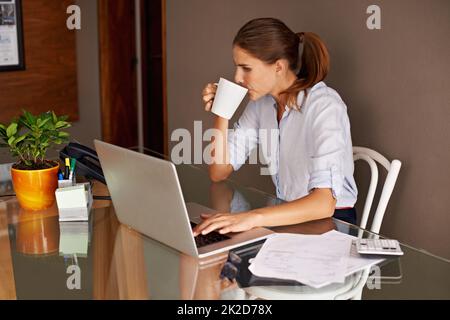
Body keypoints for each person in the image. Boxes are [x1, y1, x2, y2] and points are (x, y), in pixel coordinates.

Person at [194, 18, 358, 236]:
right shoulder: (261, 105)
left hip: (331, 224)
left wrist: (251, 218)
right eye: (237, 67)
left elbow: (323, 204)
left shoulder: (325, 106)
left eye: (246, 68)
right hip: (287, 218)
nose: (237, 78)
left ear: (279, 67)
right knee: (219, 252)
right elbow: (219, 171)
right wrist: (222, 111)